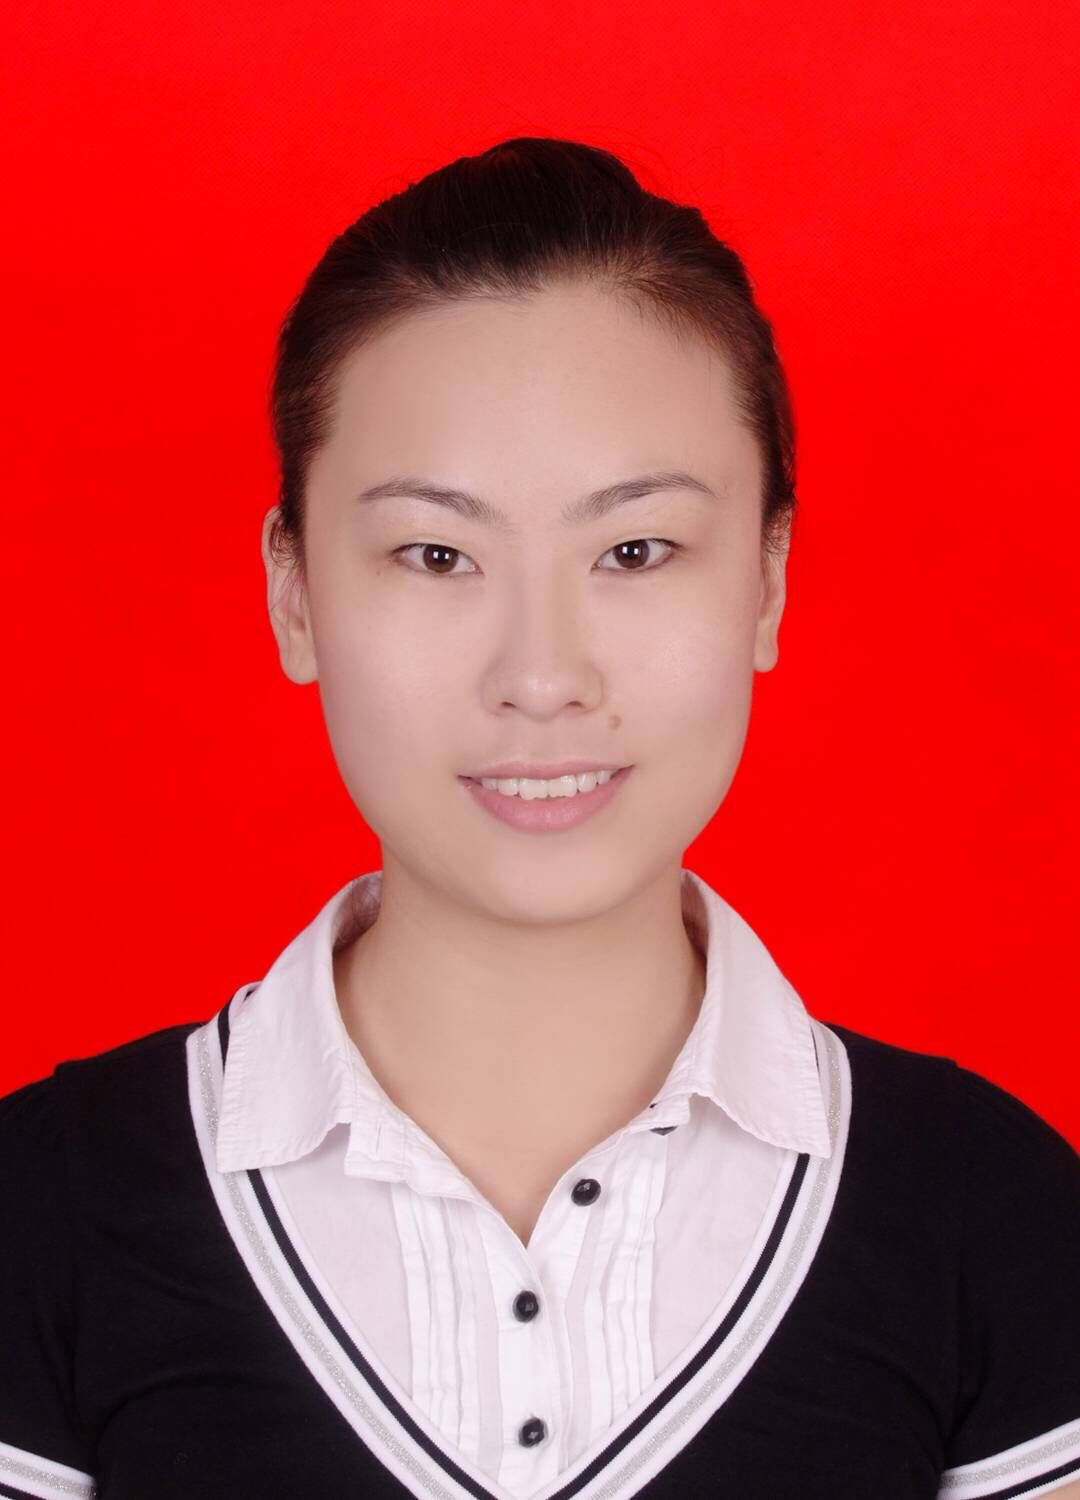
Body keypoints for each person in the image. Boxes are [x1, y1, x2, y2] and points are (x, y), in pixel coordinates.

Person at [1, 137, 1077, 1500]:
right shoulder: (42, 1208)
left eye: (635, 550)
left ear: (767, 579)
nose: (542, 676)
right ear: (293, 593)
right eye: (435, 554)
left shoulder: (995, 1213)